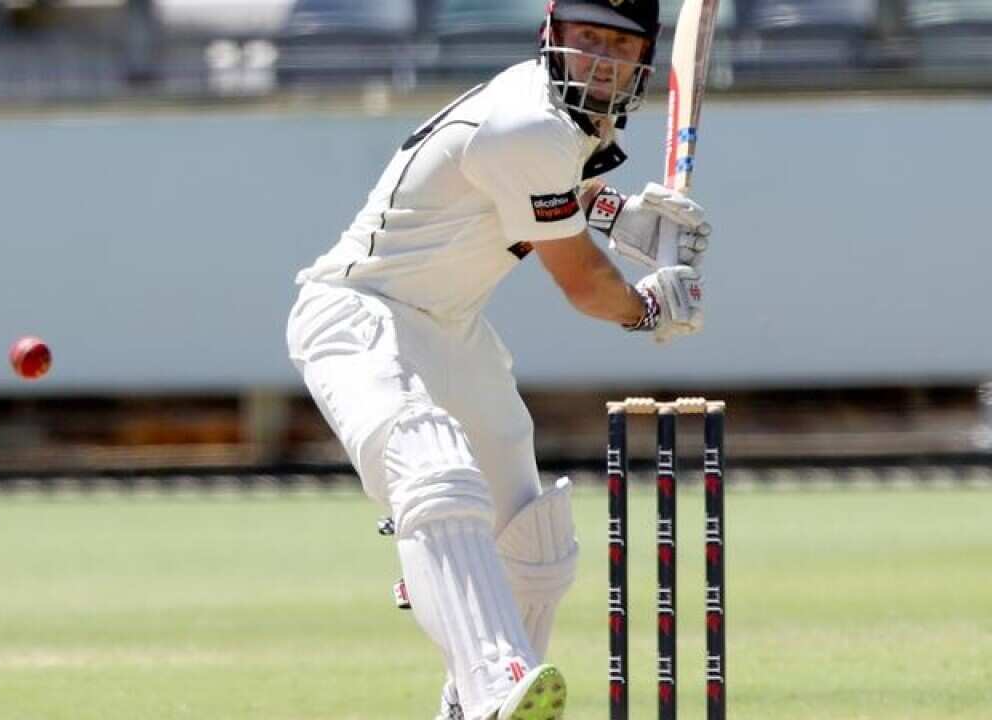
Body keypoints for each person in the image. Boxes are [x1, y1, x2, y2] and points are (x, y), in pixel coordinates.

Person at [284, 1, 711, 718]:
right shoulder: (528, 122)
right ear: (553, 37)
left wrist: (622, 215)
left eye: (619, 45)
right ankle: (493, 685)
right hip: (359, 315)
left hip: (450, 329)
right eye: (587, 40)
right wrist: (647, 309)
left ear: (643, 60)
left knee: (536, 540)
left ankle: (468, 700)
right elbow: (581, 282)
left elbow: (554, 189)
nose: (601, 59)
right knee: (433, 466)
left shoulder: (565, 122)